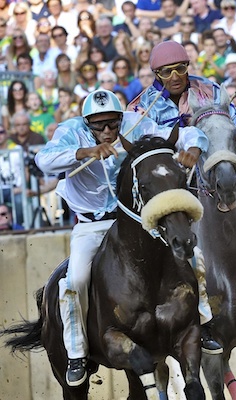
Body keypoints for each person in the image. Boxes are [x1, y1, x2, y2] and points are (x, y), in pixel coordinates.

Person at [34, 88, 210, 387]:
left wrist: (194, 148)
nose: (107, 131)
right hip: (92, 226)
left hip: (136, 221)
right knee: (75, 280)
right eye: (99, 125)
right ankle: (77, 353)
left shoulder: (135, 122)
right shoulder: (72, 131)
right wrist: (85, 152)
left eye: (113, 124)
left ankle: (204, 323)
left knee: (192, 254)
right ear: (87, 122)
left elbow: (187, 133)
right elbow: (44, 160)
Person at [127, 40, 236, 308]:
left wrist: (224, 158)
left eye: (180, 68)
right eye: (166, 72)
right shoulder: (139, 108)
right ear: (156, 74)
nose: (175, 77)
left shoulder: (211, 90)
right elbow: (140, 151)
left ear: (187, 67)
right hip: (170, 186)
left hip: (216, 173)